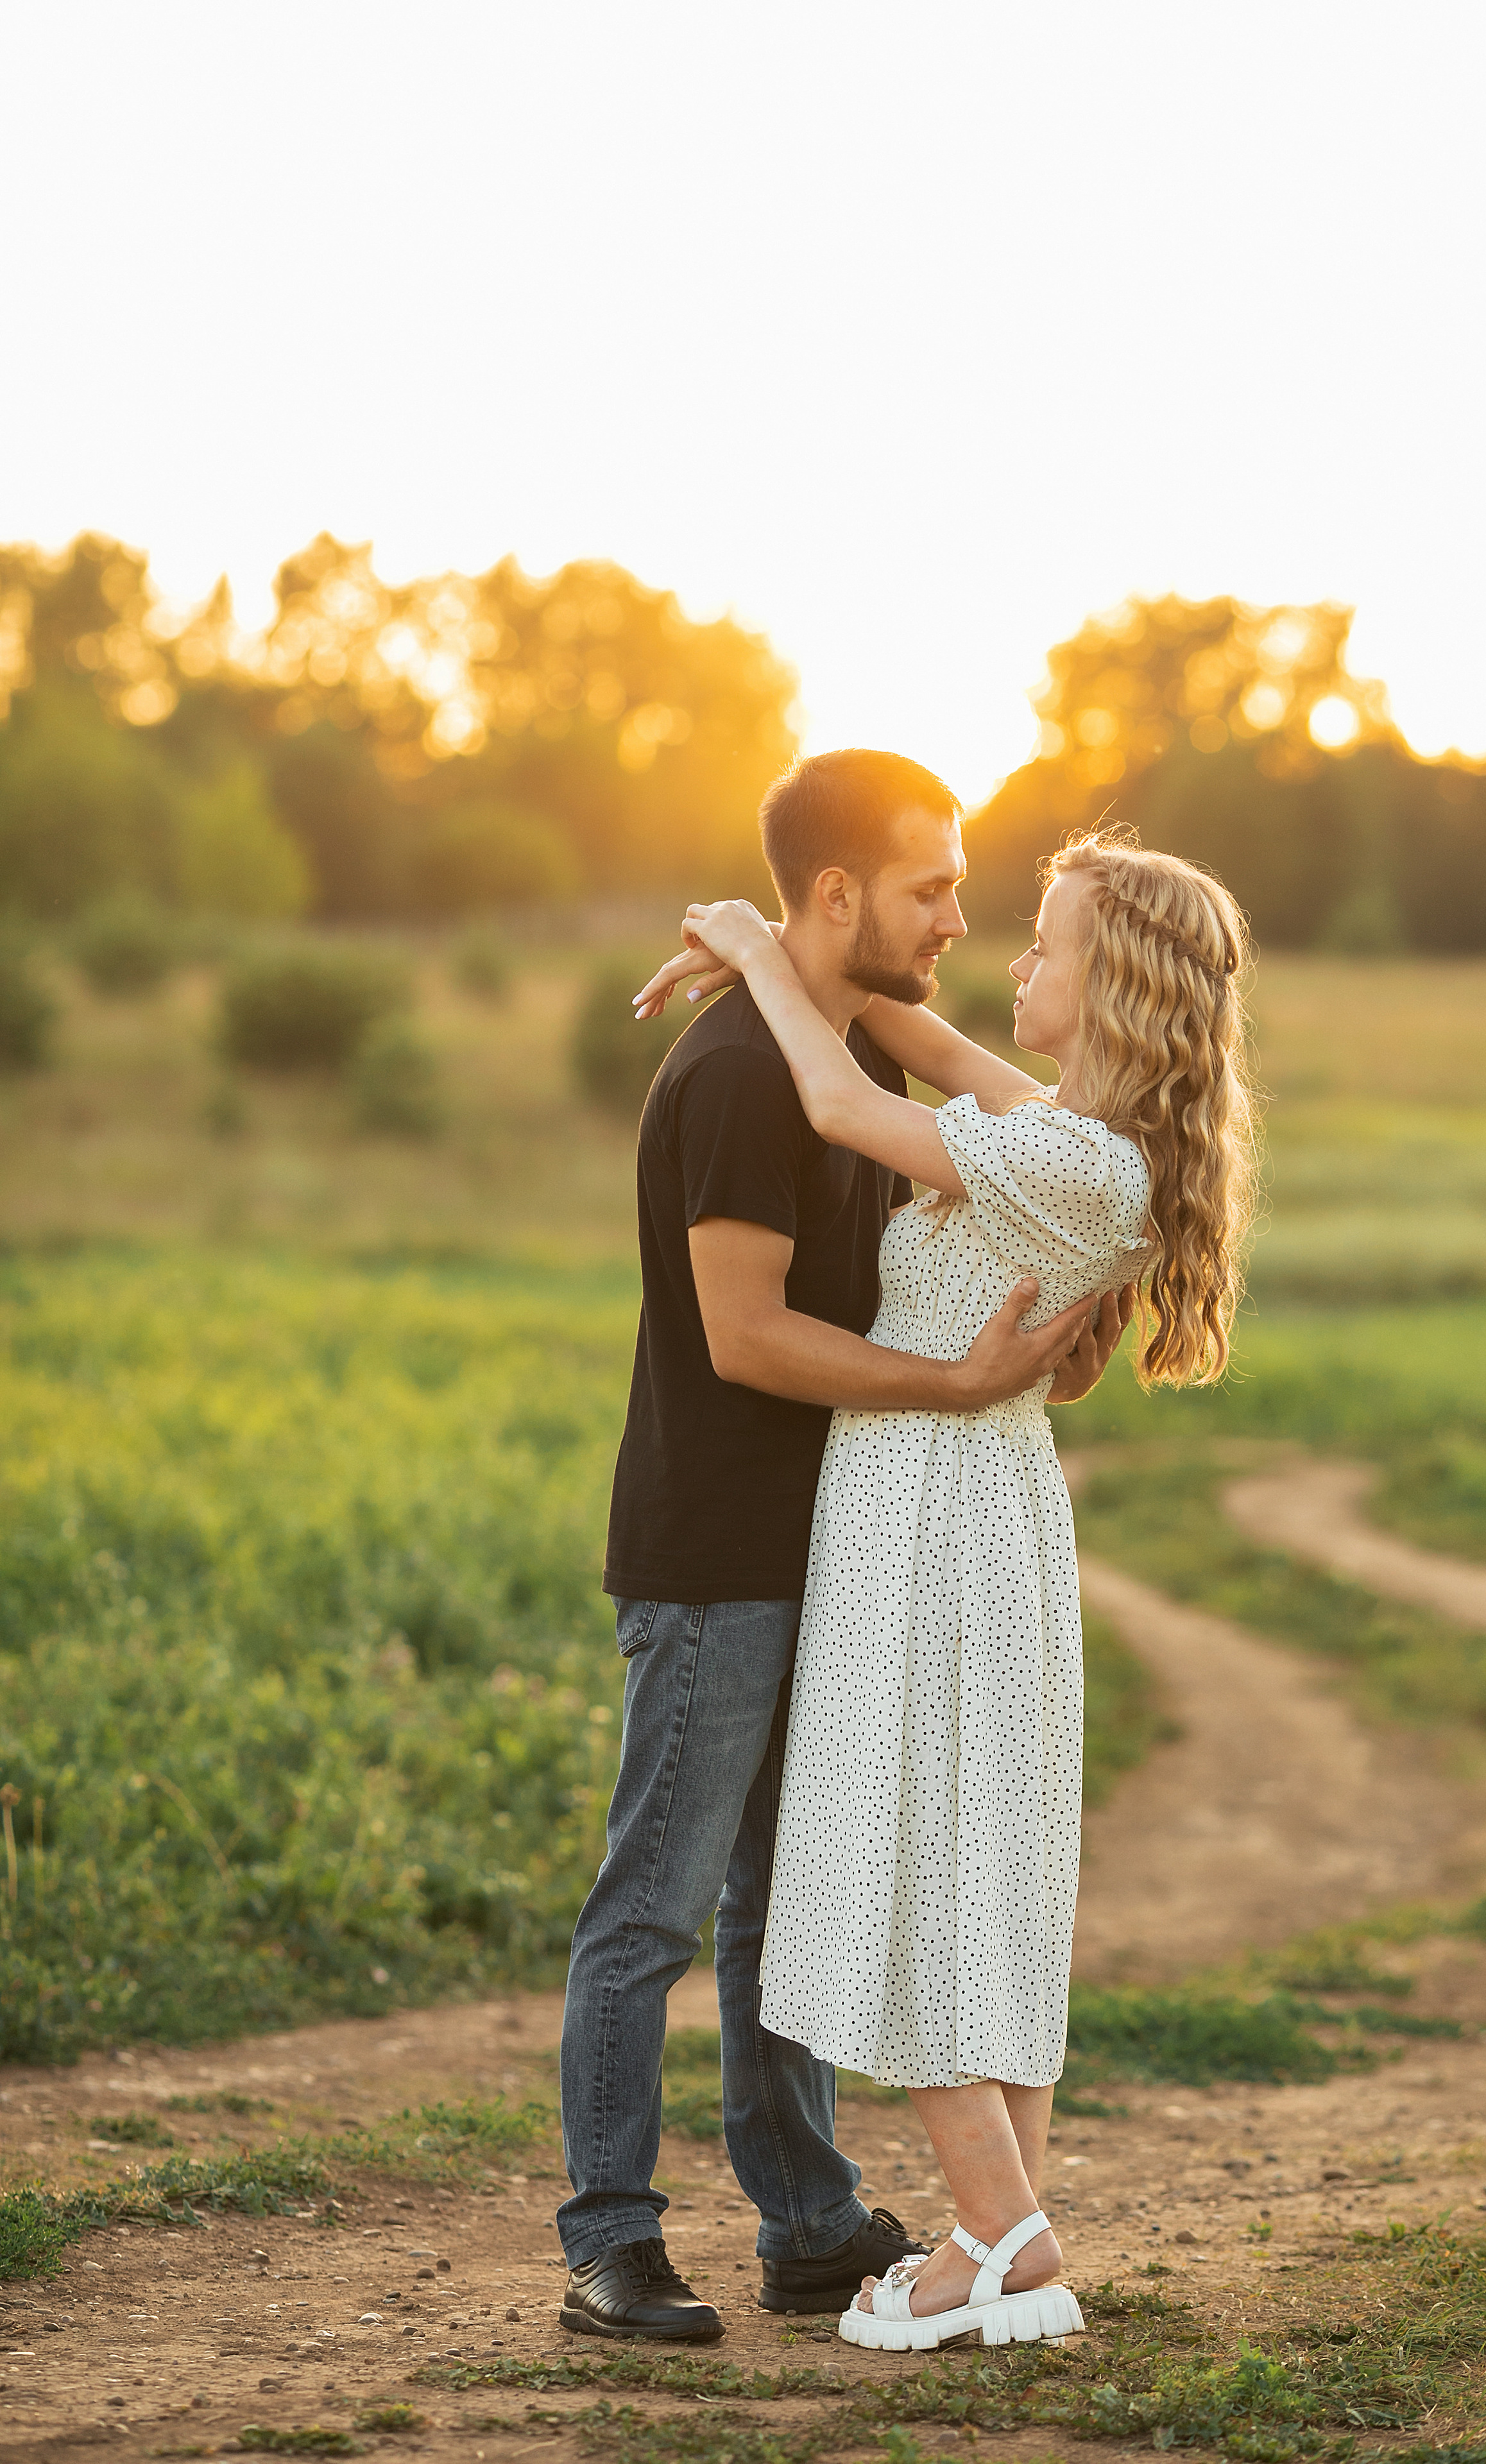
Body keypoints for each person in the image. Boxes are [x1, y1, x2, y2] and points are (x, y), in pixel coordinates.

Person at [644, 830, 1257, 2350]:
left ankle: (998, 2232)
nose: (1013, 963)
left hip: (925, 1519)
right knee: (980, 1870)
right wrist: (779, 957)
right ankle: (1005, 2250)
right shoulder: (1073, 1139)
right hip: (974, 1517)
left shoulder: (1059, 1156)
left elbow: (846, 1100)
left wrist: (739, 928)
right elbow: (905, 1037)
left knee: (899, 1860)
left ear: (1109, 983)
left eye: (1044, 946)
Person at [556, 750, 1128, 2342]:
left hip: (840, 1546)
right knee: (654, 1909)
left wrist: (755, 941)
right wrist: (951, 1385)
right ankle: (607, 2236)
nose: (958, 916)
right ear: (837, 894)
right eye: (930, 887)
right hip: (715, 1549)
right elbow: (746, 1337)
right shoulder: (742, 1077)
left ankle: (808, 2222)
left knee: (780, 1903)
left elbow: (906, 1046)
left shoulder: (837, 1059)